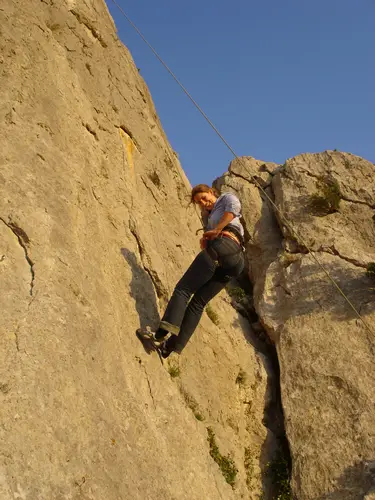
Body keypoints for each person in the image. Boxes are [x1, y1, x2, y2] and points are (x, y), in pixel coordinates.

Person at [137, 184, 245, 358]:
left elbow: (232, 210)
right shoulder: (208, 216)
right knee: (198, 303)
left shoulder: (226, 198)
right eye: (199, 202)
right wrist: (207, 237)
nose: (203, 203)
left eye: (204, 197)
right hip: (234, 261)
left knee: (183, 289)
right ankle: (170, 347)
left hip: (226, 245)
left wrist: (216, 230)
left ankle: (160, 335)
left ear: (211, 192)